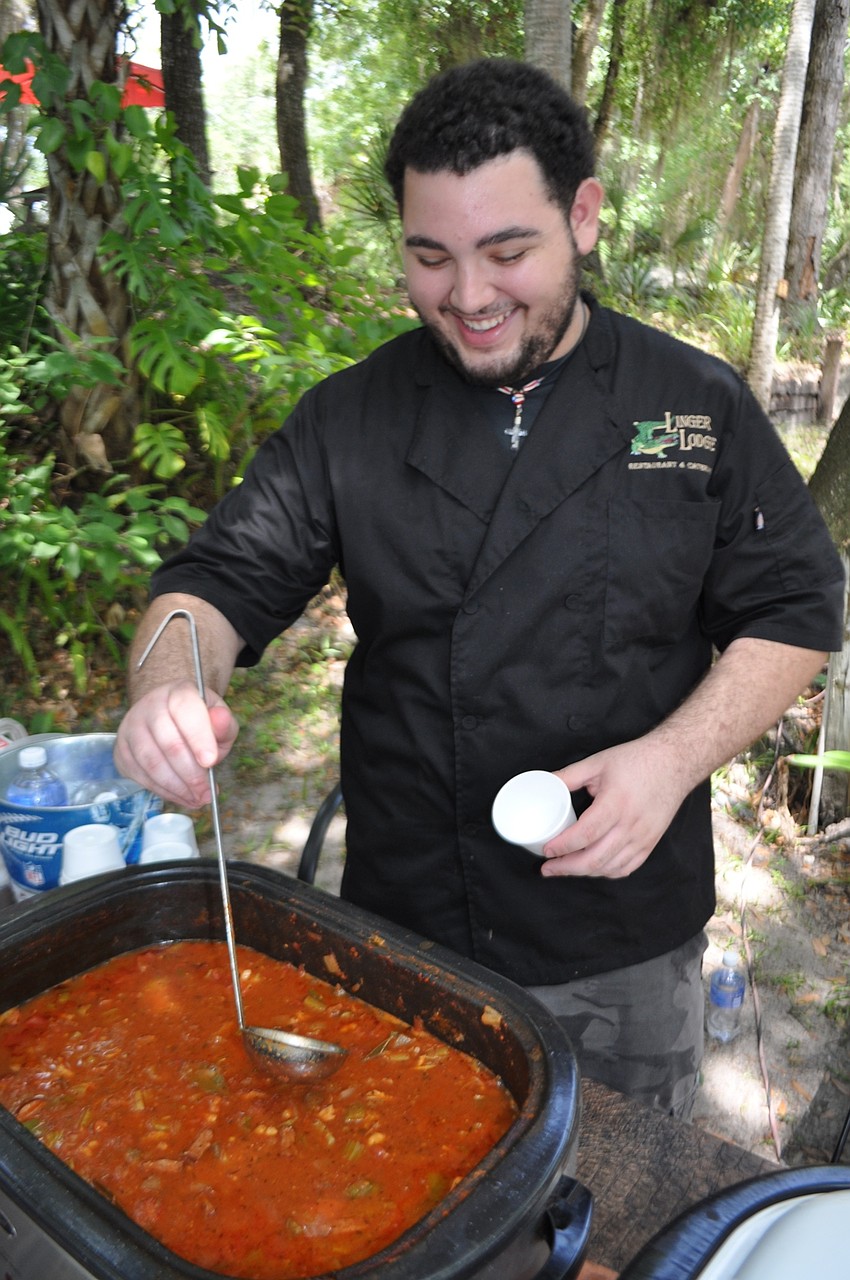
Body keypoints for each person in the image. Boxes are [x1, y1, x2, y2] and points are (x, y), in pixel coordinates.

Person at [115, 58, 845, 1119]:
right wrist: (168, 688)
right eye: (430, 258)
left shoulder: (691, 406)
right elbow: (210, 586)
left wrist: (673, 759)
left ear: (582, 217)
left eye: (507, 252)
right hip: (406, 923)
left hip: (621, 933)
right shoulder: (348, 418)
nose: (467, 297)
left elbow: (795, 606)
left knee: (623, 1196)